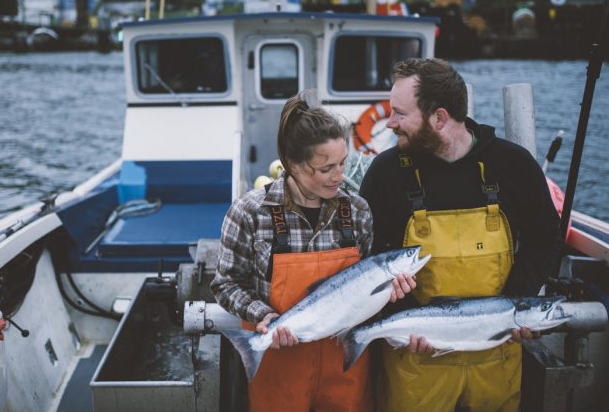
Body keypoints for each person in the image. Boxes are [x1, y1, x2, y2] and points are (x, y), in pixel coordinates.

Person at [359, 58, 560, 411]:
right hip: (417, 361)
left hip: (496, 355)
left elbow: (545, 239)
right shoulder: (386, 173)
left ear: (439, 118)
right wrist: (407, 320)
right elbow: (372, 258)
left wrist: (515, 307)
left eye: (400, 114)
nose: (389, 123)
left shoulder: (513, 165)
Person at [211, 89, 416, 412]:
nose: (339, 177)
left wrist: (389, 292)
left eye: (342, 163)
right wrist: (263, 316)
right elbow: (225, 283)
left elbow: (363, 292)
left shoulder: (358, 211)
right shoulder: (249, 212)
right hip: (279, 367)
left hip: (345, 371)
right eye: (325, 169)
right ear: (293, 164)